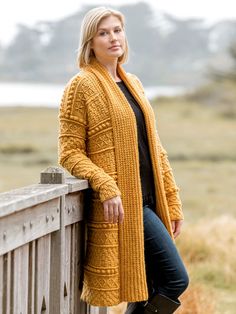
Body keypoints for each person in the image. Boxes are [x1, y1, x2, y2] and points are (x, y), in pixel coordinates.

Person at [58, 6, 189, 314]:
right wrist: (106, 184)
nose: (113, 38)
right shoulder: (82, 85)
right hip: (125, 205)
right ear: (90, 43)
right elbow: (69, 151)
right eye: (103, 33)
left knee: (146, 289)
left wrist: (172, 200)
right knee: (175, 280)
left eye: (117, 30)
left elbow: (156, 150)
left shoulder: (134, 83)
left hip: (150, 200)